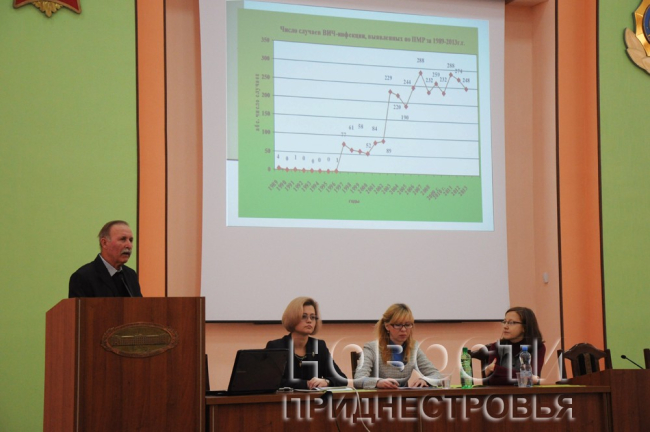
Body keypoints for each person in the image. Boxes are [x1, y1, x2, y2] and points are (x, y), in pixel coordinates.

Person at [265, 297, 348, 389]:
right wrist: (306, 384)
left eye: (313, 317)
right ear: (292, 318)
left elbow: (342, 379)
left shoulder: (319, 346)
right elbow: (270, 380)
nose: (309, 321)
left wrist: (327, 381)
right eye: (304, 316)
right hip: (284, 398)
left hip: (314, 398)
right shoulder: (276, 347)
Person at [354, 303, 442, 389]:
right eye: (398, 325)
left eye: (407, 325)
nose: (403, 329)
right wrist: (378, 382)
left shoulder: (413, 348)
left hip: (404, 397)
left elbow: (436, 375)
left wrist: (425, 380)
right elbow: (358, 379)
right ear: (387, 326)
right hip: (379, 397)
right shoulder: (372, 348)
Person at [69, 220, 142, 298]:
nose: (129, 245)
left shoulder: (131, 275)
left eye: (131, 240)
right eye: (123, 239)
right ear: (104, 243)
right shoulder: (83, 277)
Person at [483, 306, 546, 385]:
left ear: (525, 327)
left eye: (511, 323)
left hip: (527, 392)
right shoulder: (496, 346)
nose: (505, 326)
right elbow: (492, 380)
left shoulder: (538, 347)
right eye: (504, 322)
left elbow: (531, 379)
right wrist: (523, 377)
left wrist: (496, 369)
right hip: (500, 392)